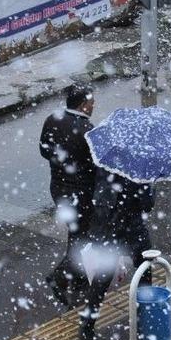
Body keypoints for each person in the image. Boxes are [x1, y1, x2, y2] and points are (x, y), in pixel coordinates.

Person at [77, 170, 155, 340]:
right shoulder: (140, 169)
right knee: (144, 271)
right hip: (134, 229)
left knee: (102, 276)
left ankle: (87, 325)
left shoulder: (107, 164)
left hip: (110, 227)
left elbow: (99, 193)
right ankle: (143, 322)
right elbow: (147, 203)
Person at [39, 83, 97, 308]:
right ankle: (60, 277)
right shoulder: (87, 131)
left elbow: (44, 150)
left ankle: (79, 275)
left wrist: (61, 162)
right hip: (80, 193)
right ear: (83, 105)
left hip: (59, 189)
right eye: (91, 102)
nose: (93, 106)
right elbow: (94, 166)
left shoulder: (52, 119)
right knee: (84, 236)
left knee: (76, 232)